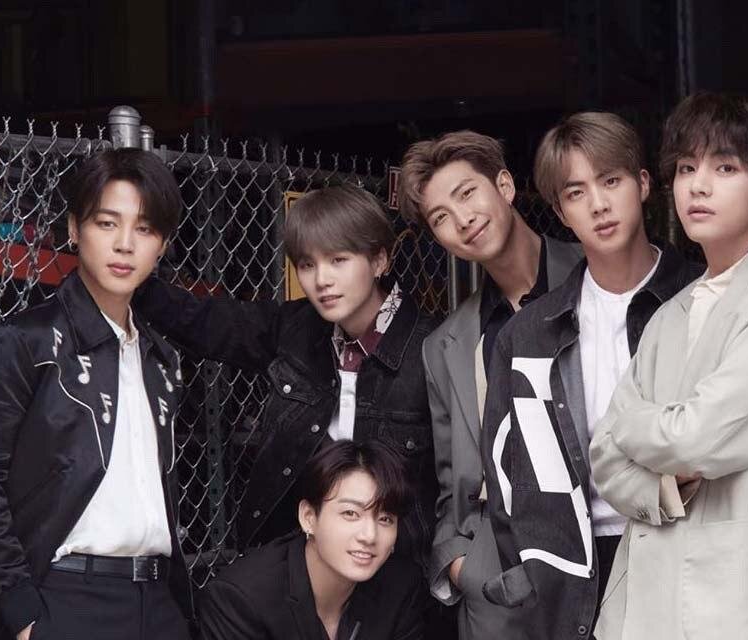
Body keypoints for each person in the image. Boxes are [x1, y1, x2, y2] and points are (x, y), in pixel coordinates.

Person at [588, 92, 748, 640]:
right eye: (686, 168)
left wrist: (630, 426)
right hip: (642, 605)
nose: (697, 186)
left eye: (725, 168)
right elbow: (605, 458)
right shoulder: (670, 313)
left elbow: (699, 440)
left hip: (734, 603)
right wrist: (664, 486)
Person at [132, 184, 439, 575]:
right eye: (307, 265)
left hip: (394, 574)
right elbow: (204, 321)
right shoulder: (297, 328)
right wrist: (129, 277)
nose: (322, 280)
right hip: (300, 565)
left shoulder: (434, 349)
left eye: (338, 260)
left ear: (379, 260)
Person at [478, 111, 699, 639]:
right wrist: (533, 572)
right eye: (576, 193)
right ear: (560, 210)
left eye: (611, 181)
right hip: (571, 572)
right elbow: (504, 475)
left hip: (681, 550)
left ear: (643, 184)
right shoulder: (527, 334)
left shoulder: (700, 300)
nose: (598, 204)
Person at [0, 149, 193, 640]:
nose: (125, 244)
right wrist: (20, 610)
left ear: (162, 245)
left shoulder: (160, 358)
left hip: (158, 602)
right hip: (66, 597)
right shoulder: (26, 342)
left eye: (145, 229)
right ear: (74, 229)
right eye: (107, 223)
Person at [398, 130, 582, 639]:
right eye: (440, 217)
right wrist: (462, 561)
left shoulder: (596, 274)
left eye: (467, 194)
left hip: (608, 547)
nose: (462, 219)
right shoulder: (446, 345)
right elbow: (451, 480)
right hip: (498, 576)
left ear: (504, 185)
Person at [198, 439, 428, 640]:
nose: (369, 535)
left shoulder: (401, 588)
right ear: (308, 517)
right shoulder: (241, 600)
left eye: (385, 519)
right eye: (350, 513)